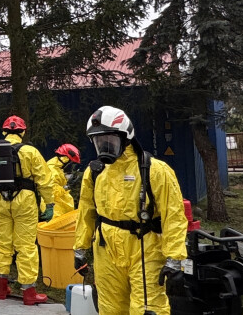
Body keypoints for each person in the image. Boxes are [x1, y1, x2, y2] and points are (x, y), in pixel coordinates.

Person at [73, 106, 187, 314]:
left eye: (109, 139)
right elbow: (86, 211)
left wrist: (174, 258)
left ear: (126, 137)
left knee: (147, 308)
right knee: (110, 308)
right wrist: (80, 247)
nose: (104, 145)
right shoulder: (95, 172)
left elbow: (173, 215)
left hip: (145, 247)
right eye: (99, 140)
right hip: (106, 248)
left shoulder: (154, 170)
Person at [0, 115, 57, 305]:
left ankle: (1, 288)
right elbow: (44, 181)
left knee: (2, 243)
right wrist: (49, 204)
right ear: (22, 132)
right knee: (26, 246)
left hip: (0, 200)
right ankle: (29, 293)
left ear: (4, 131)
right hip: (25, 203)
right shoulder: (31, 152)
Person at [45, 144, 80, 218]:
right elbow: (52, 191)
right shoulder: (52, 169)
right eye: (71, 163)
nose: (71, 166)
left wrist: (67, 180)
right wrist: (67, 186)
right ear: (65, 159)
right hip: (55, 209)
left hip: (60, 207)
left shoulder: (58, 168)